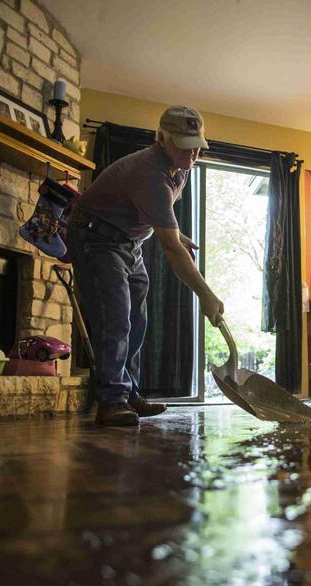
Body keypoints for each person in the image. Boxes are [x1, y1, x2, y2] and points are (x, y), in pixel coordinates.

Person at [66, 106, 225, 426]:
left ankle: (130, 394)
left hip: (130, 242)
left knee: (137, 320)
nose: (192, 152)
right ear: (161, 138)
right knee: (116, 319)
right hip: (96, 239)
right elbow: (169, 248)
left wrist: (177, 232)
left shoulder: (181, 164)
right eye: (184, 143)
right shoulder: (148, 171)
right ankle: (111, 401)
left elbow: (155, 210)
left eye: (196, 143)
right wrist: (206, 294)